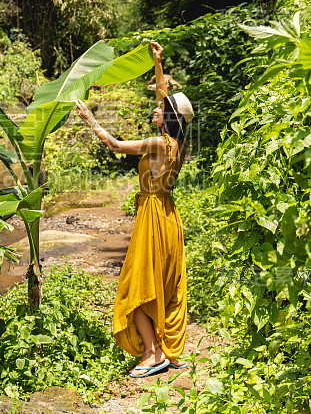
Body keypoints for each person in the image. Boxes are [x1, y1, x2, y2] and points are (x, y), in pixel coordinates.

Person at [75, 41, 193, 378]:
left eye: (160, 109)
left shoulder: (157, 143)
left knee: (138, 285)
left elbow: (113, 145)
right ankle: (168, 349)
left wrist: (89, 118)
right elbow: (162, 94)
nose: (154, 109)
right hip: (169, 215)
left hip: (152, 216)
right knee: (165, 285)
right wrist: (158, 63)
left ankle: (154, 354)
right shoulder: (178, 143)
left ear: (166, 118)